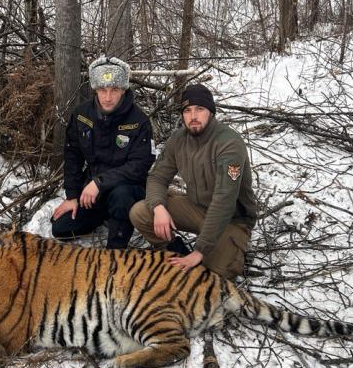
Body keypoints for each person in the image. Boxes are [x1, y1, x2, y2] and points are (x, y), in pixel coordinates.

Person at [129, 83, 257, 279]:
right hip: (196, 207)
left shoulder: (229, 143)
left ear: (211, 112)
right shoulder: (178, 139)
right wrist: (159, 208)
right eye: (187, 110)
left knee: (214, 273)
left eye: (200, 109)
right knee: (141, 212)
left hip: (232, 219)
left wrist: (200, 250)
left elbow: (224, 200)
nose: (193, 116)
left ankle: (220, 249)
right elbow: (157, 177)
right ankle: (174, 250)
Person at [52, 55, 154, 249]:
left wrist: (99, 183)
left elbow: (139, 166)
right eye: (102, 90)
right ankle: (105, 214)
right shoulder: (82, 115)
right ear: (95, 90)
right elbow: (72, 155)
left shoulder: (139, 121)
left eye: (114, 90)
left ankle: (115, 250)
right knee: (61, 228)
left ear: (123, 90)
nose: (108, 97)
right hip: (93, 190)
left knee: (121, 196)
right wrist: (72, 196)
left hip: (127, 190)